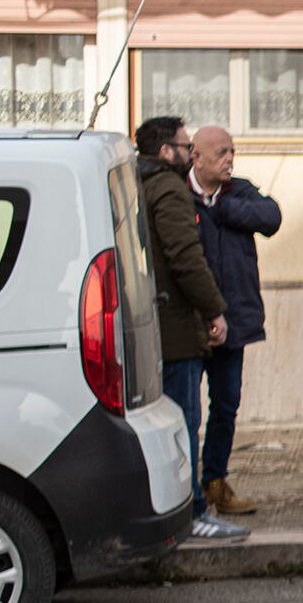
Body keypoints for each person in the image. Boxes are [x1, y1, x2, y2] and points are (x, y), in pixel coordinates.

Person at [132, 117, 242, 542]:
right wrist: (214, 309)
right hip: (177, 328)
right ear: (166, 152)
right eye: (184, 145)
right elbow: (185, 257)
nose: (190, 152)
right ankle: (193, 512)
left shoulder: (133, 185)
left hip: (151, 326)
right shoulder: (169, 190)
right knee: (184, 424)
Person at [187, 126, 279, 519]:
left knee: (225, 406)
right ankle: (185, 491)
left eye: (232, 151)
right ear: (198, 157)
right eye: (222, 152)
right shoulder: (177, 194)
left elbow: (271, 216)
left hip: (234, 323)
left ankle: (215, 483)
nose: (230, 159)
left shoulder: (237, 191)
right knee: (186, 413)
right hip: (188, 328)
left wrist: (222, 209)